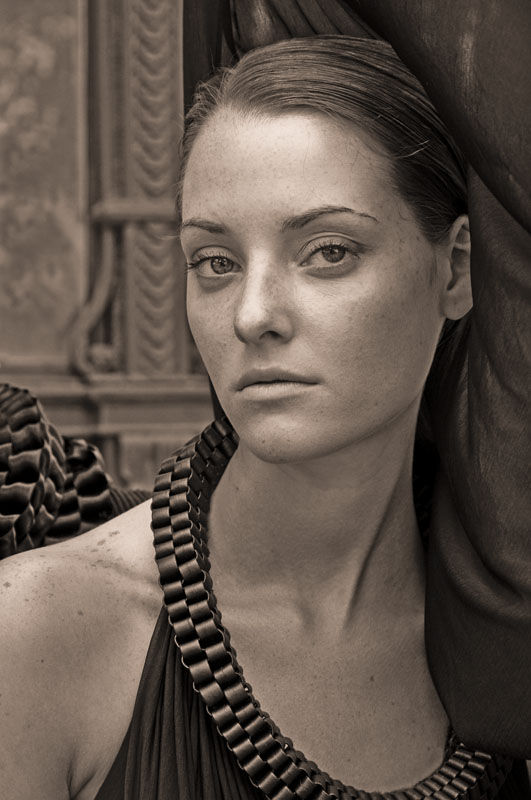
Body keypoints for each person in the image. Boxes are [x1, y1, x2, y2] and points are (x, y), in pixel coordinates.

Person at [0, 33, 529, 800]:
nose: (252, 316)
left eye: (327, 252)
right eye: (215, 262)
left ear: (454, 268)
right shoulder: (41, 632)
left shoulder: (504, 641)